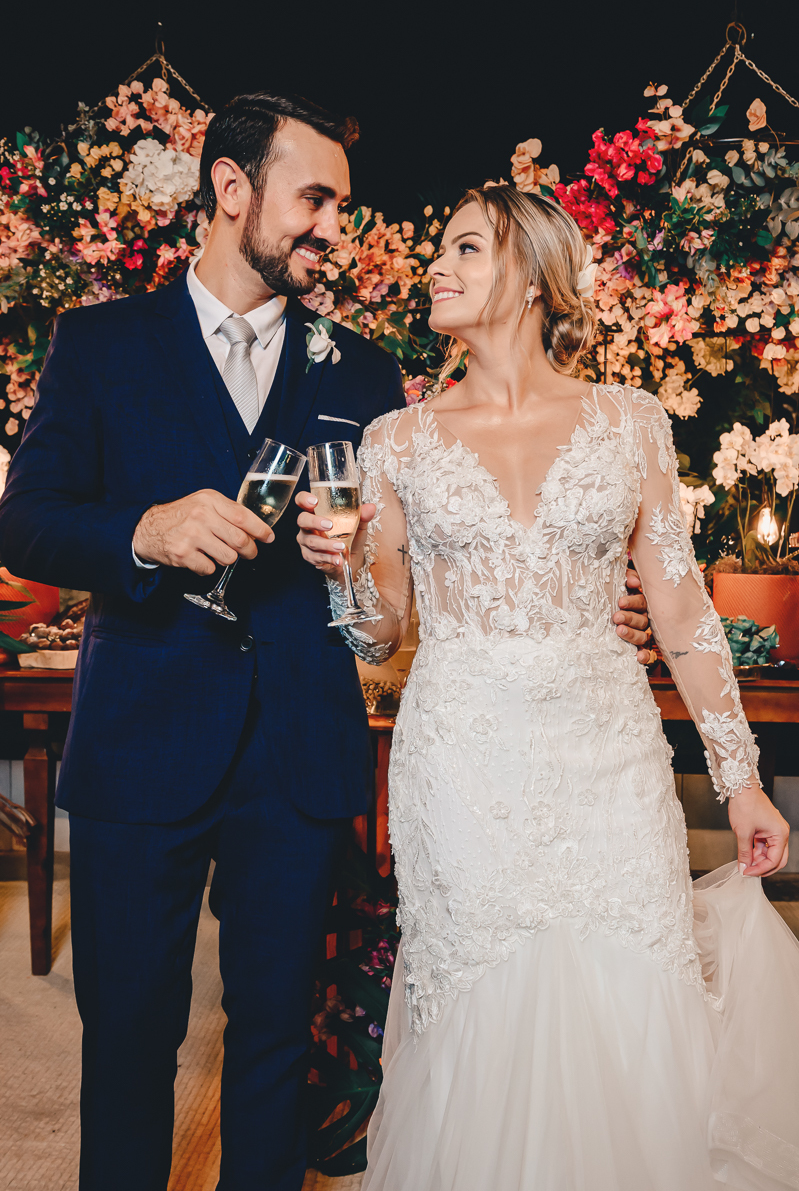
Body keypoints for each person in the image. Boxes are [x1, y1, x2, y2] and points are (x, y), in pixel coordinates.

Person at [0, 94, 649, 1189]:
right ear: (231, 191)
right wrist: (143, 532)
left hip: (297, 756)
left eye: (341, 207)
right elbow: (26, 517)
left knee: (273, 1048)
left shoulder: (359, 372)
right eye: (314, 199)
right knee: (126, 1043)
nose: (333, 228)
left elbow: (417, 566)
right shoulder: (100, 344)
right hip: (141, 749)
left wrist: (568, 594)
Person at [296, 184, 799, 1191]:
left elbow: (683, 611)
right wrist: (340, 570)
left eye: (464, 248)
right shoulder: (395, 441)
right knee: (483, 997)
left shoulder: (630, 424)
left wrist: (739, 779)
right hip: (463, 760)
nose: (436, 266)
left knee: (625, 993)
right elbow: (379, 628)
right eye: (438, 248)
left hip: (608, 756)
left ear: (528, 277)